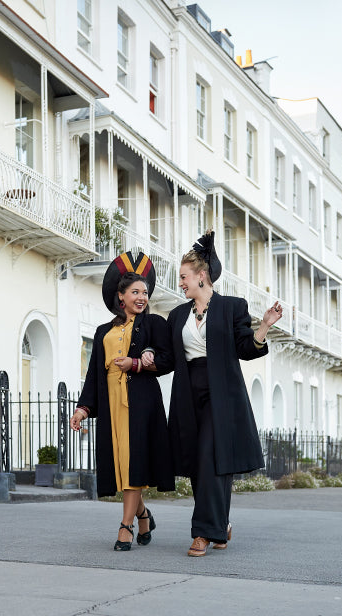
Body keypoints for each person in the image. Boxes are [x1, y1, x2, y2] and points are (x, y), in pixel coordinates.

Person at [146, 231, 283, 557]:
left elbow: (245, 348)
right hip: (187, 395)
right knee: (200, 463)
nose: (180, 282)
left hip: (221, 396)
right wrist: (146, 359)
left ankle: (202, 533)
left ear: (201, 276)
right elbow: (168, 359)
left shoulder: (232, 307)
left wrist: (264, 326)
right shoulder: (177, 315)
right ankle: (220, 526)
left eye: (183, 276)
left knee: (210, 456)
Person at [70, 252, 174, 551]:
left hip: (141, 405)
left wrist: (137, 363)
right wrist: (83, 408)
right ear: (121, 296)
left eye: (145, 293)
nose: (141, 297)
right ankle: (143, 516)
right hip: (112, 405)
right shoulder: (103, 331)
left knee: (133, 463)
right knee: (122, 467)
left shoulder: (153, 323)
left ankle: (125, 526)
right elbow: (94, 374)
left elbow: (168, 360)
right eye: (135, 292)